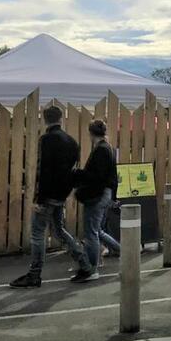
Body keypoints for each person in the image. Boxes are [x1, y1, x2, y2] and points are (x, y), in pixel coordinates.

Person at [10, 106, 92, 288]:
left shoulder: (46, 140)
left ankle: (34, 274)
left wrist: (38, 198)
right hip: (61, 193)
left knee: (38, 234)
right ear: (61, 118)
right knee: (58, 230)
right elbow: (73, 171)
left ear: (44, 119)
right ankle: (85, 264)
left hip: (47, 194)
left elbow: (43, 171)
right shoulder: (71, 141)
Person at [72, 119, 120, 281]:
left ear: (90, 133)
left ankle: (92, 267)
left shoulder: (100, 150)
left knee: (91, 231)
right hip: (105, 193)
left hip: (97, 194)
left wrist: (78, 174)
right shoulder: (109, 149)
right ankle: (122, 250)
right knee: (97, 229)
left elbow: (96, 176)